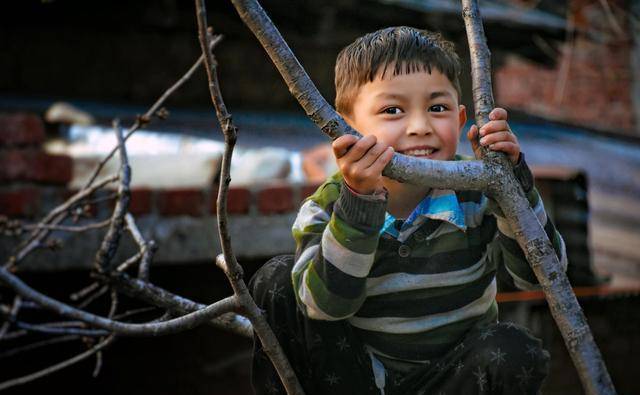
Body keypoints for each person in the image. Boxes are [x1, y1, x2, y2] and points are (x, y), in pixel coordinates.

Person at [249, 26, 567, 395]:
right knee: (276, 279)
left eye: (437, 108)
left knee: (514, 349)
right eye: (392, 110)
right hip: (357, 381)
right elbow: (326, 308)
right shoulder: (327, 207)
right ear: (343, 126)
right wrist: (359, 204)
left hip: (455, 381)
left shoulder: (477, 192)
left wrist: (512, 185)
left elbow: (544, 274)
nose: (420, 127)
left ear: (461, 119)